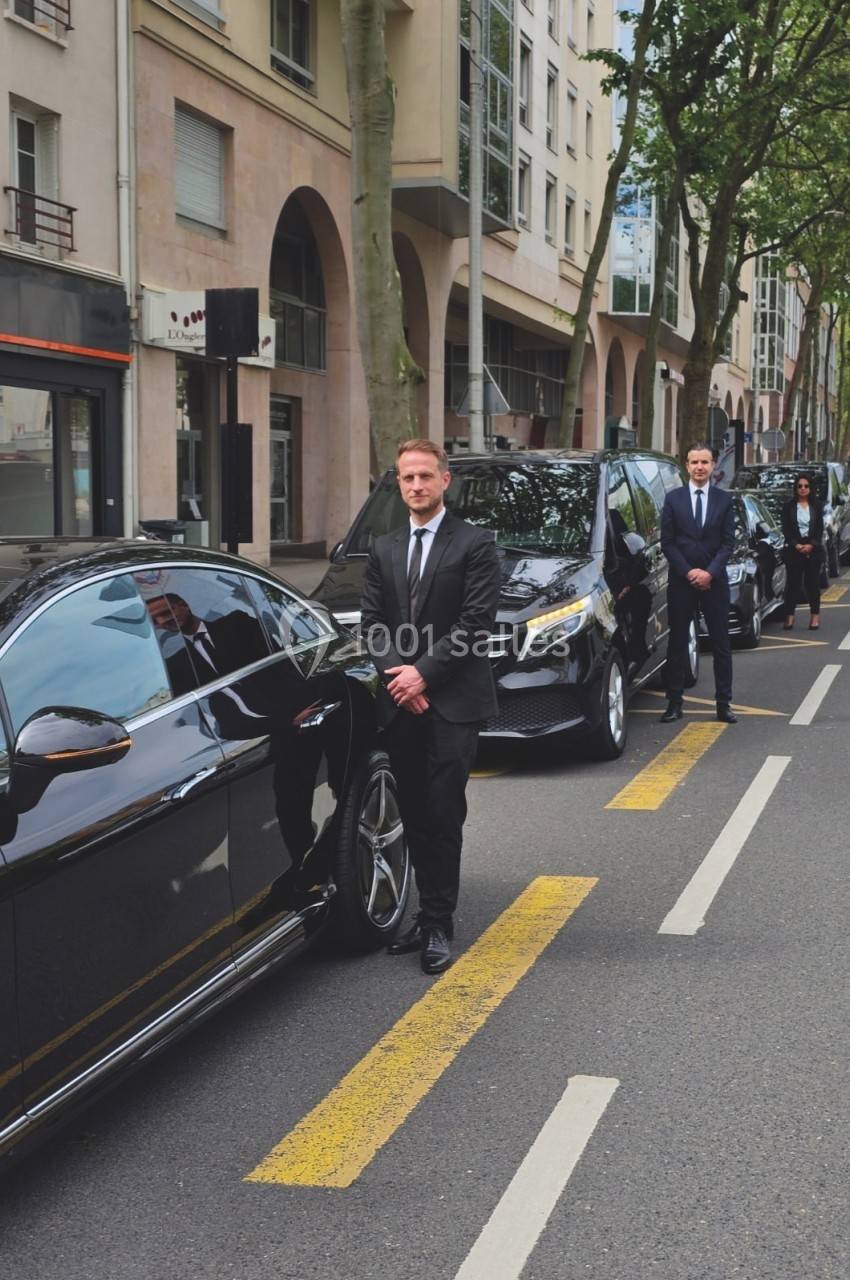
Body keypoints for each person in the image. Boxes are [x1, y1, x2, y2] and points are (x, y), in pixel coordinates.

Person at [360, 438, 501, 974]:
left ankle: (439, 922)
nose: (416, 485)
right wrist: (400, 676)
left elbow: (475, 624)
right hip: (402, 701)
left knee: (443, 813)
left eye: (425, 476)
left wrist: (423, 674)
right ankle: (424, 915)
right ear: (398, 485)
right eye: (407, 478)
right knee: (415, 812)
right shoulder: (384, 547)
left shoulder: (475, 543)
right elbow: (372, 623)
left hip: (453, 701)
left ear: (445, 480)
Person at [660, 441, 737, 724]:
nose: (700, 467)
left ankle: (724, 704)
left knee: (721, 644)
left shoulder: (724, 500)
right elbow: (667, 542)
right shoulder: (673, 499)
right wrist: (689, 572)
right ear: (687, 465)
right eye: (694, 462)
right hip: (682, 581)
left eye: (704, 462)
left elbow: (728, 543)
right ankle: (674, 703)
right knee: (677, 643)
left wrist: (709, 573)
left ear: (713, 465)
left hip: (714, 582)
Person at [780, 473, 824, 630]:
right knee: (793, 585)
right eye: (800, 486)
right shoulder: (788, 507)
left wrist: (812, 545)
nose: (803, 489)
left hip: (813, 550)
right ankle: (789, 617)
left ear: (810, 489)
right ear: (796, 488)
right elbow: (786, 528)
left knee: (812, 585)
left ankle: (815, 617)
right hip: (794, 550)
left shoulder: (817, 506)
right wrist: (796, 545)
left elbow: (819, 528)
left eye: (806, 486)